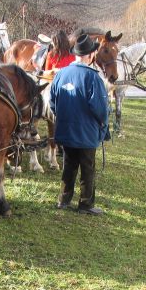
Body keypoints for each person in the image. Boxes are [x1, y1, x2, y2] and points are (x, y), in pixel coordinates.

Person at [49, 33, 110, 215]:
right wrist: (103, 125)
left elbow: (53, 102)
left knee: (69, 165)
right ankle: (85, 204)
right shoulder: (93, 78)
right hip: (86, 132)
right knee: (87, 167)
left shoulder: (61, 74)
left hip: (66, 130)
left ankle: (64, 199)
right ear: (90, 56)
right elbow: (100, 108)